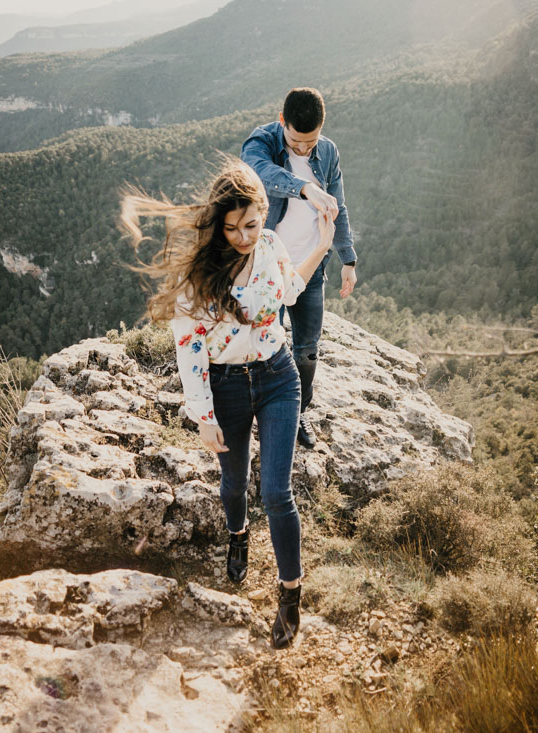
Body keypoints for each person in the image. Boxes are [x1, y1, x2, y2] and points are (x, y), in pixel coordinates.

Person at [120, 159, 334, 650]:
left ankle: (290, 595)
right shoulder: (201, 275)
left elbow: (290, 290)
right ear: (218, 224)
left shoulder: (273, 247)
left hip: (279, 377)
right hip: (226, 388)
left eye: (252, 225)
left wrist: (321, 245)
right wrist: (204, 417)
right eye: (232, 228)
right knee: (234, 483)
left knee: (276, 493)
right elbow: (189, 347)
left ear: (264, 214)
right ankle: (237, 534)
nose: (243, 236)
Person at [241, 87, 357, 449]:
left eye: (311, 142)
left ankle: (297, 412)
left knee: (306, 349)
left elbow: (338, 206)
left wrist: (347, 259)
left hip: (310, 266)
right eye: (296, 141)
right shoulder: (261, 142)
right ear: (282, 122)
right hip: (266, 268)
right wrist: (306, 188)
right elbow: (259, 173)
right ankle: (263, 414)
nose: (305, 149)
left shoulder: (329, 151)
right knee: (268, 346)